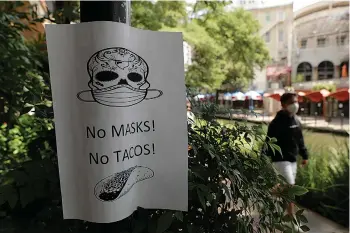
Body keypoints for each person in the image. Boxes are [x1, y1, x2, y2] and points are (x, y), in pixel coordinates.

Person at [264, 92, 308, 217]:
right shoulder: (276, 122)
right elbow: (269, 140)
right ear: (283, 104)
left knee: (285, 187)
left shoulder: (296, 120)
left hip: (292, 159)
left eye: (296, 101)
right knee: (290, 188)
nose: (295, 105)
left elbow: (300, 140)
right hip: (280, 159)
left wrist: (304, 155)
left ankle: (266, 193)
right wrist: (264, 156)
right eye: (291, 102)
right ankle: (291, 217)